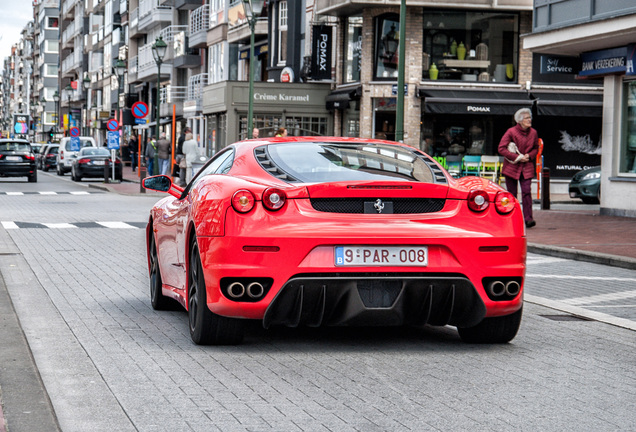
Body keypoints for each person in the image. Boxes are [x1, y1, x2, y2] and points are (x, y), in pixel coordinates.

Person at [498, 108, 540, 228]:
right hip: (512, 168)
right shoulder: (511, 132)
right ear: (520, 120)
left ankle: (528, 219)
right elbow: (501, 148)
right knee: (511, 194)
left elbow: (536, 148)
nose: (529, 120)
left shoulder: (533, 133)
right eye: (527, 118)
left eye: (529, 117)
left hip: (526, 167)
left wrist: (529, 156)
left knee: (527, 192)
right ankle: (511, 217)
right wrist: (517, 157)